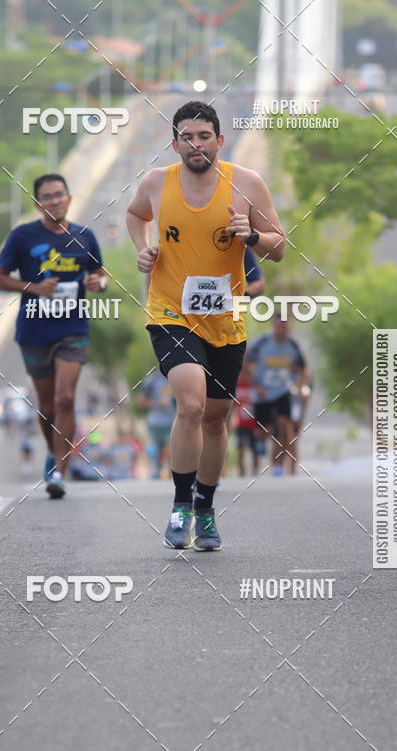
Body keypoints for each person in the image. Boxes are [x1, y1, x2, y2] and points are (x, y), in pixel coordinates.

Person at [126, 100, 285, 550]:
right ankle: (179, 504)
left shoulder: (247, 184)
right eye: (185, 137)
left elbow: (279, 248)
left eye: (203, 136)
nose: (194, 144)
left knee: (216, 420)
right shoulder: (158, 182)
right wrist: (143, 247)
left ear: (219, 139)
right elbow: (136, 215)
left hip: (225, 320)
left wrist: (250, 236)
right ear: (174, 142)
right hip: (171, 312)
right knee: (191, 404)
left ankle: (205, 508)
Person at [0, 173, 107, 499]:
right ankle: (52, 451)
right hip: (34, 330)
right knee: (46, 407)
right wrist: (33, 287)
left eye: (60, 194)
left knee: (65, 398)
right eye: (47, 196)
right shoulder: (22, 237)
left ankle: (59, 468)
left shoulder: (85, 237)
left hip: (73, 330)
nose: (54, 200)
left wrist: (99, 283)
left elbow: (100, 274)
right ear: (37, 204)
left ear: (69, 198)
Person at [248, 315, 306, 476]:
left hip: (283, 391)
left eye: (285, 326)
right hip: (263, 393)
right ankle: (259, 442)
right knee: (263, 431)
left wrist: (299, 385)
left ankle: (278, 465)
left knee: (283, 426)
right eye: (279, 325)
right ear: (273, 325)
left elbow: (302, 368)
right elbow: (246, 363)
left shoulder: (293, 345)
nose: (282, 328)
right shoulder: (261, 343)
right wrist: (256, 385)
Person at [138, 370, 176, 478]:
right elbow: (141, 401)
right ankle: (158, 471)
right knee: (158, 451)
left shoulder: (176, 377)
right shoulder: (151, 380)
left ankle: (172, 474)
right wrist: (157, 404)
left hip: (172, 421)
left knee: (170, 449)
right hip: (155, 423)